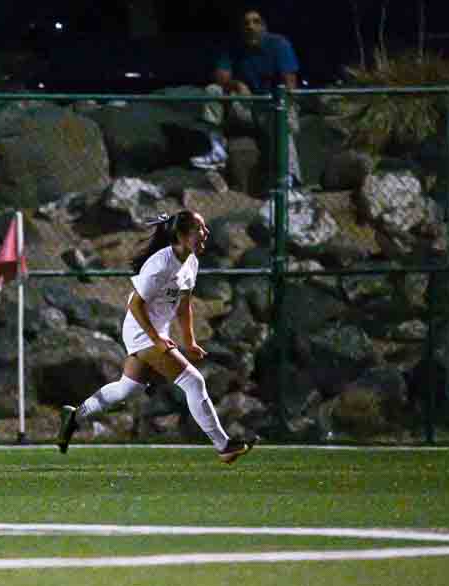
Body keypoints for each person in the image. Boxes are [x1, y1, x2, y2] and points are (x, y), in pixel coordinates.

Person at [57, 211, 255, 464]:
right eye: (199, 229)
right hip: (141, 330)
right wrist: (157, 340)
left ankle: (75, 416)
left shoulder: (191, 262)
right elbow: (135, 305)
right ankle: (223, 445)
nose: (206, 233)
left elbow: (184, 306)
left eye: (205, 228)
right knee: (194, 382)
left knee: (128, 388)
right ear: (181, 235)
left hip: (156, 331)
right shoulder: (160, 263)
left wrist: (190, 341)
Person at [191, 8, 302, 197]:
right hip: (247, 107)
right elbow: (220, 77)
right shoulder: (233, 47)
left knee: (282, 122)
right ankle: (217, 150)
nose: (250, 27)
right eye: (246, 23)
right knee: (213, 90)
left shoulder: (279, 44)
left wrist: (276, 103)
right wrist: (237, 84)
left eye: (255, 21)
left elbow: (290, 85)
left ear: (264, 26)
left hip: (273, 107)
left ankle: (289, 182)